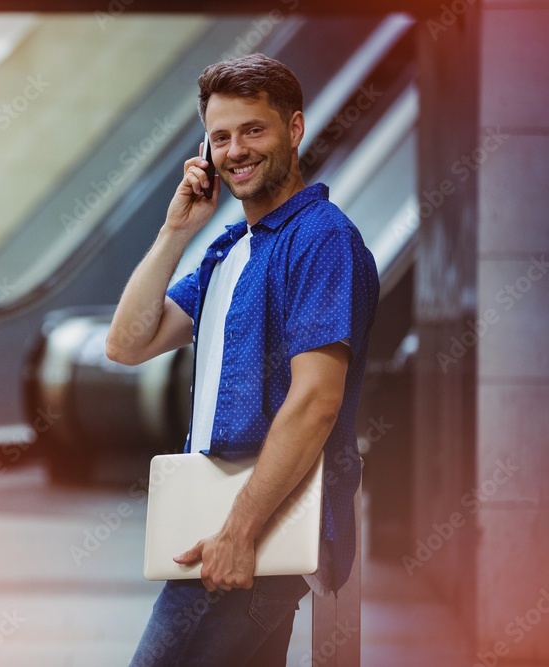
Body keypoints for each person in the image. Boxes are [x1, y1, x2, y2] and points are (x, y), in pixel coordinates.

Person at [106, 53, 379, 666]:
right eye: (221, 137)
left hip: (247, 541)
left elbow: (316, 401)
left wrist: (239, 532)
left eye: (253, 129)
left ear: (296, 128)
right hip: (222, 534)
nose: (236, 151)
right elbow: (127, 344)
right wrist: (176, 230)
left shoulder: (321, 238)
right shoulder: (230, 251)